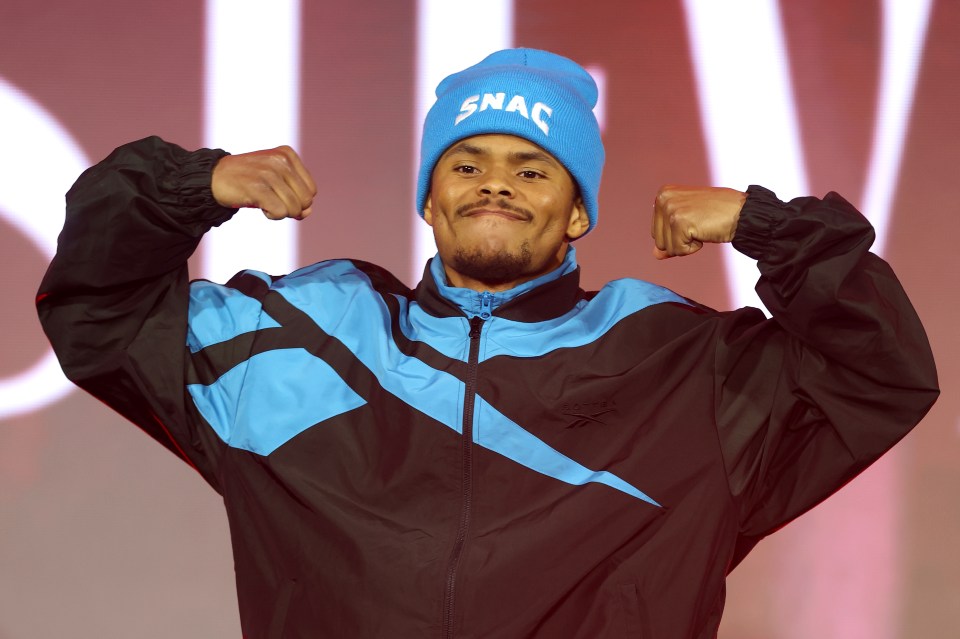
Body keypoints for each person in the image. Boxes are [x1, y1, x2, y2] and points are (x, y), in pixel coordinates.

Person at [37, 48, 938, 638]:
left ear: (578, 208)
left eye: (533, 167)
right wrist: (192, 186)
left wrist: (768, 227)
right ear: (429, 200)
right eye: (466, 164)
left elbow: (879, 372)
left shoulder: (681, 363)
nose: (495, 185)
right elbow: (101, 310)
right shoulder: (298, 334)